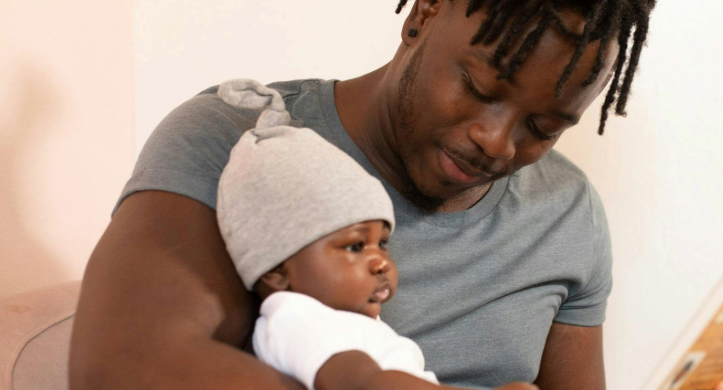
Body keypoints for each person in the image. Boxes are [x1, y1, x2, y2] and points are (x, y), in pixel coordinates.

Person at [69, 1, 723, 389]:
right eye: (481, 89)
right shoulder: (242, 140)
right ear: (422, 15)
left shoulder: (568, 215)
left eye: (544, 127)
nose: (497, 142)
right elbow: (122, 367)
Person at [213, 79, 534, 390]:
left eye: (381, 243)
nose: (381, 262)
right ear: (277, 271)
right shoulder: (296, 319)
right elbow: (362, 383)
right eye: (354, 246)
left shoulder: (344, 321)